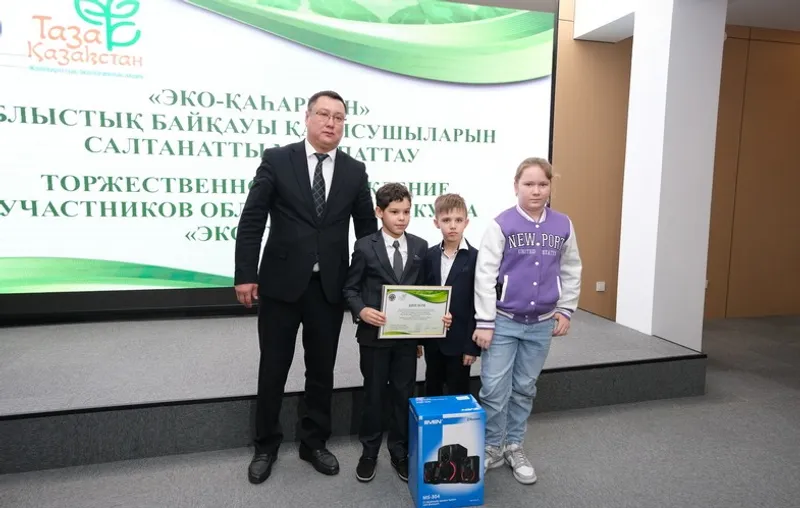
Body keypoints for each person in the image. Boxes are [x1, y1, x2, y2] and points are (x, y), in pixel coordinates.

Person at [234, 90, 378, 485]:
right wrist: (245, 273)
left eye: (339, 117)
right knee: (273, 368)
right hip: (280, 286)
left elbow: (367, 232)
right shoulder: (277, 159)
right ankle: (266, 445)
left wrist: (369, 286)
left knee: (321, 370)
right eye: (324, 114)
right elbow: (252, 219)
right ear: (307, 117)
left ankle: (314, 443)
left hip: (328, 288)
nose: (331, 123)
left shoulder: (354, 170)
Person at [472, 157, 582, 485]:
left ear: (550, 187)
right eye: (529, 184)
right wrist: (485, 321)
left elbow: (572, 268)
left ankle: (513, 445)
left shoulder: (563, 225)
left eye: (542, 184)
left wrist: (566, 309)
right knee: (494, 388)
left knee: (524, 387)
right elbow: (485, 275)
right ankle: (492, 446)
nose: (536, 191)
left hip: (541, 324)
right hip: (503, 322)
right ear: (516, 186)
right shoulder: (501, 224)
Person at [342, 183, 451, 483]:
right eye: (394, 212)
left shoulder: (420, 246)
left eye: (406, 212)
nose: (401, 218)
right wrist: (362, 311)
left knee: (403, 394)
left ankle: (399, 450)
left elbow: (426, 291)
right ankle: (369, 452)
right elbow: (350, 288)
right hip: (373, 338)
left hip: (406, 339)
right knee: (374, 395)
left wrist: (435, 318)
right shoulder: (364, 246)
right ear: (379, 212)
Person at [421, 193, 480, 397]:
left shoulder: (476, 258)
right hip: (433, 339)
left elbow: (476, 305)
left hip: (460, 341)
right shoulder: (428, 256)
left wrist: (471, 347)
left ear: (466, 222)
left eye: (458, 220)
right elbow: (422, 295)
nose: (453, 226)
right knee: (432, 388)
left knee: (458, 392)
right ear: (436, 222)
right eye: (446, 220)